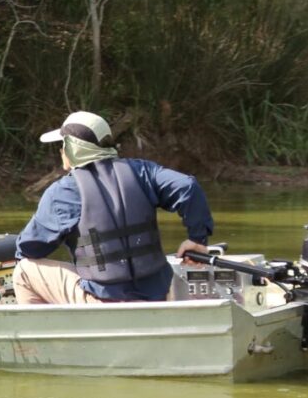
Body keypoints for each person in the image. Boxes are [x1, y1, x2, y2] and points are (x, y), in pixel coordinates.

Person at [12, 110, 212, 304]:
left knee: (24, 270)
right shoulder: (143, 172)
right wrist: (197, 239)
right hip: (159, 295)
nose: (60, 150)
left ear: (73, 148)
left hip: (103, 301)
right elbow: (187, 186)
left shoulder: (64, 191)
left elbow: (31, 248)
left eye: (63, 145)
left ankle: (45, 336)